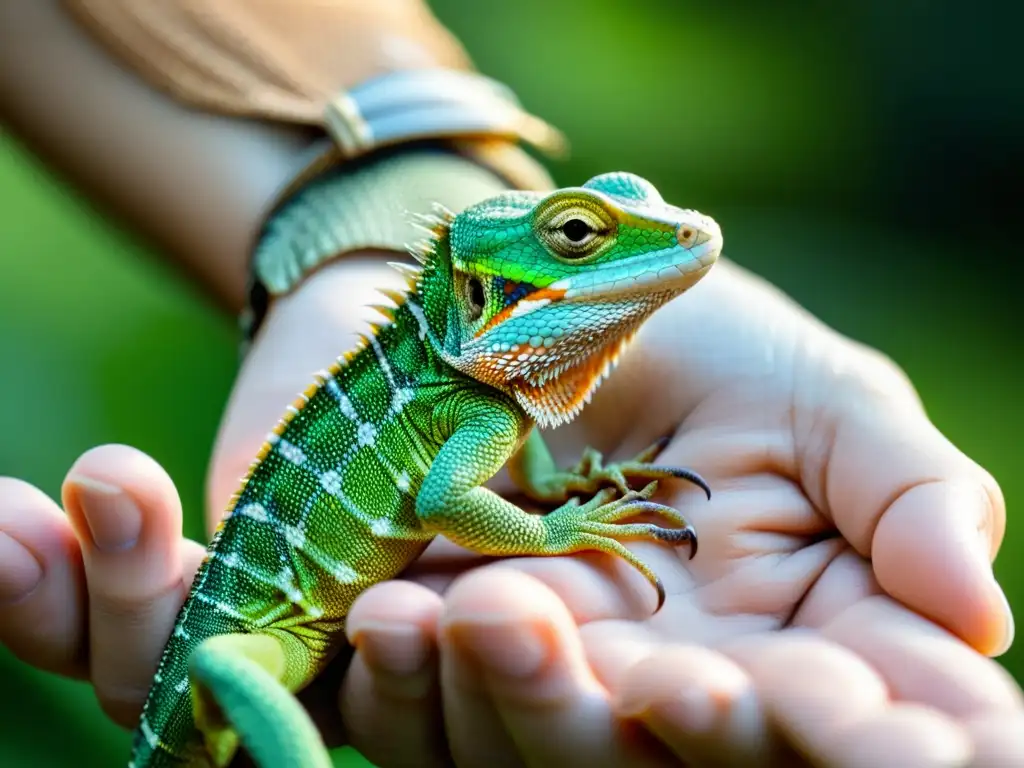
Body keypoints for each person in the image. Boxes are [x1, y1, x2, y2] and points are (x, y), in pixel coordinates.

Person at [0, 2, 1020, 766]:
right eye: (579, 239)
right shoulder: (464, 407)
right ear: (490, 297)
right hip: (255, 645)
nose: (669, 238)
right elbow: (445, 499)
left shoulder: (487, 406)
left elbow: (480, 472)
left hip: (308, 616)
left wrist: (561, 483)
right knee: (227, 678)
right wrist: (557, 536)